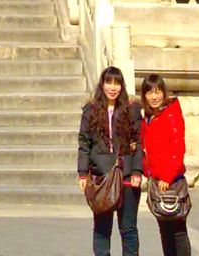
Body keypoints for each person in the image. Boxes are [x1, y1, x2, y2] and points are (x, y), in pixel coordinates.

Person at [77, 65, 142, 256]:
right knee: (102, 229)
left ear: (122, 86)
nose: (112, 88)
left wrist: (137, 171)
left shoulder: (131, 109)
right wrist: (82, 173)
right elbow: (84, 143)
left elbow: (139, 141)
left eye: (117, 83)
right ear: (102, 84)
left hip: (126, 175)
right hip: (101, 176)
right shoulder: (90, 111)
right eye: (108, 82)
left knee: (128, 229)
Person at [140, 73, 191, 256]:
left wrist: (167, 177)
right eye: (150, 92)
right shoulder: (149, 117)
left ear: (164, 92)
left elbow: (178, 148)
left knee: (178, 230)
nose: (154, 97)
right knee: (164, 229)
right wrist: (147, 171)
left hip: (171, 180)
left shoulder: (171, 114)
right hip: (156, 180)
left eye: (158, 92)